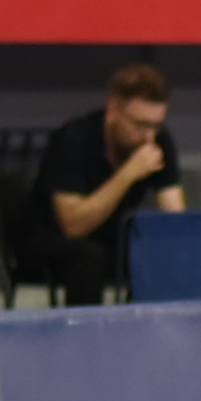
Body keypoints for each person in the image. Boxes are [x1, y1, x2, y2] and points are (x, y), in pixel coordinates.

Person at [21, 64, 185, 307]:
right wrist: (127, 174)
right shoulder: (73, 139)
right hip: (51, 241)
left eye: (155, 125)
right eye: (139, 125)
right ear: (113, 110)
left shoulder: (157, 141)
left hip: (113, 239)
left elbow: (176, 220)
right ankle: (85, 331)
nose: (148, 136)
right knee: (89, 254)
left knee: (162, 250)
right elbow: (73, 226)